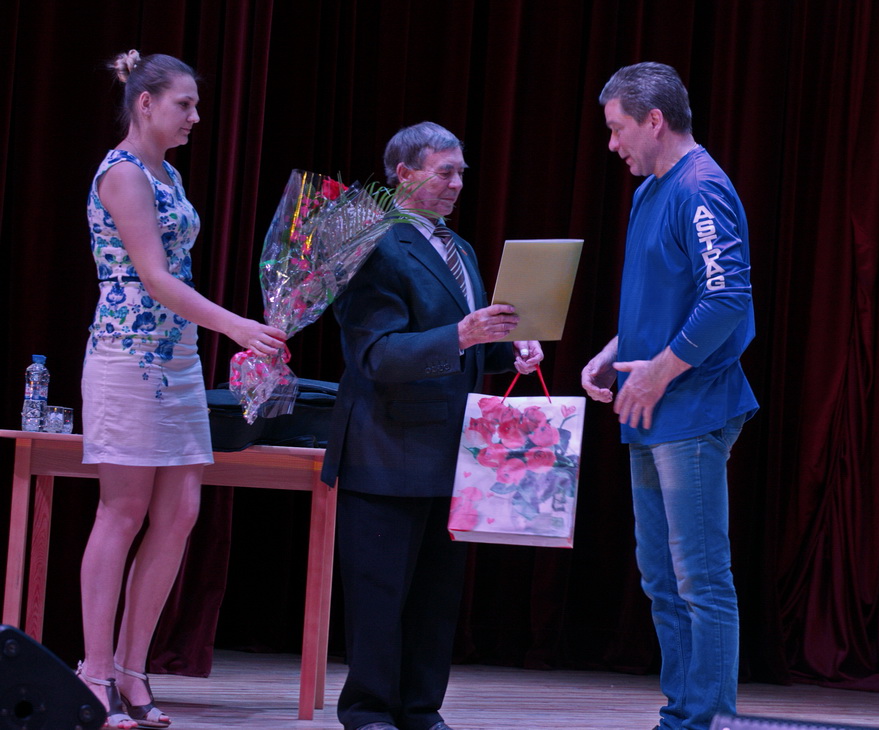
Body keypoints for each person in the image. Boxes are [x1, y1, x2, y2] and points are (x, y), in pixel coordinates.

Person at [79, 50, 287, 729]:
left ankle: (133, 671)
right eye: (184, 104)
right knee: (124, 510)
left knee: (180, 514)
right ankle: (95, 673)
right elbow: (154, 276)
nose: (196, 116)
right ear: (145, 104)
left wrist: (226, 331)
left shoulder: (168, 173)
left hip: (177, 356)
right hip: (128, 354)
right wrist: (236, 325)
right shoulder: (121, 173)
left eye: (196, 105)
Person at [321, 121, 543, 730]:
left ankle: (421, 708)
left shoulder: (460, 249)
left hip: (451, 448)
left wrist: (508, 349)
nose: (457, 183)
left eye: (461, 172)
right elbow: (375, 355)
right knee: (380, 593)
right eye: (445, 172)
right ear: (405, 173)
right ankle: (369, 711)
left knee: (436, 597)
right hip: (387, 447)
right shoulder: (371, 242)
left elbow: (465, 349)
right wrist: (463, 334)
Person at [581, 62, 759, 730]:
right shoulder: (650, 191)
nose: (612, 144)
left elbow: (726, 297)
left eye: (617, 128)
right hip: (650, 408)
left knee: (699, 577)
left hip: (691, 406)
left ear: (654, 120)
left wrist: (659, 370)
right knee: (660, 578)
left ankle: (706, 721)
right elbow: (665, 296)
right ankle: (682, 714)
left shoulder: (700, 187)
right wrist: (615, 351)